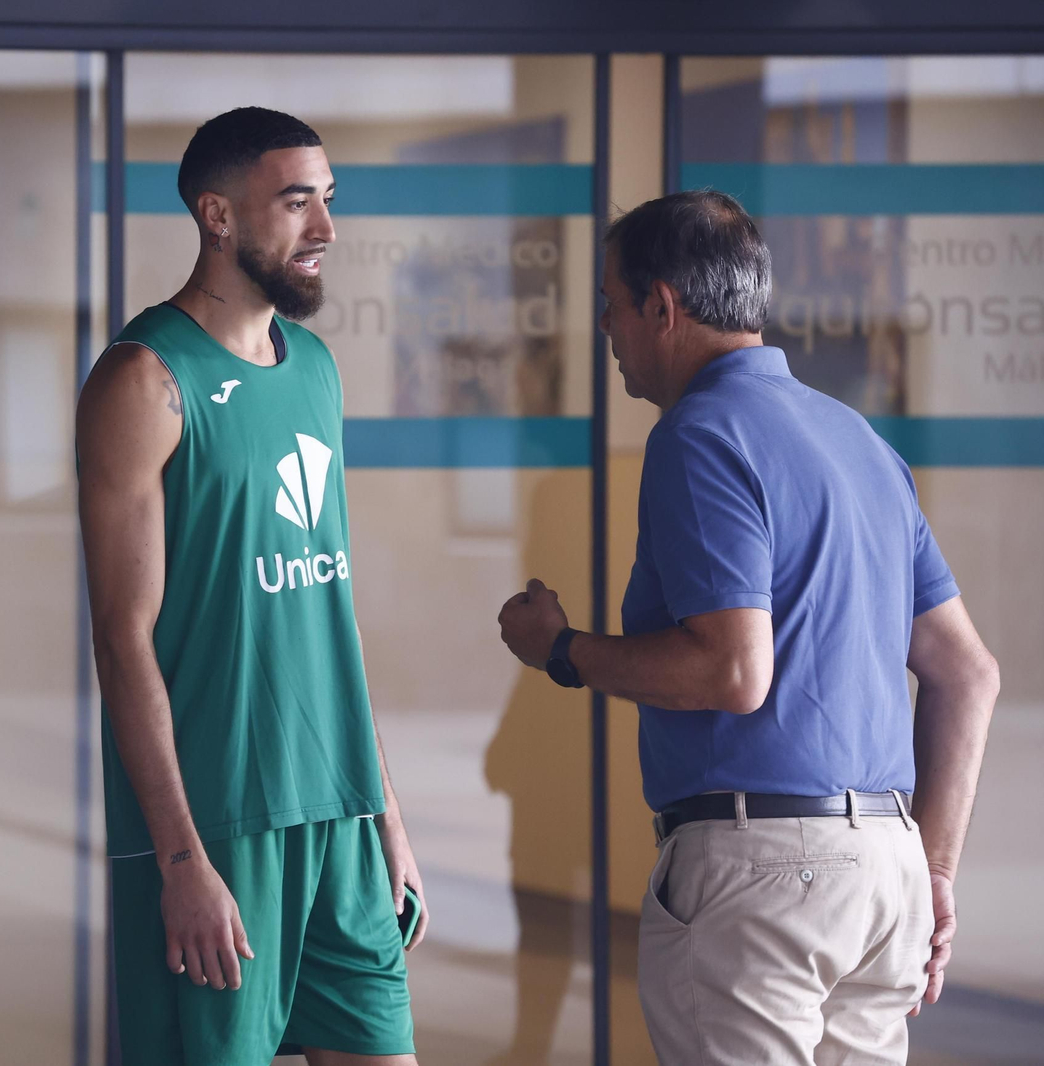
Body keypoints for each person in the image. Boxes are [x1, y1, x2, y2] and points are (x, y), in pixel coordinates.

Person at [495, 190, 1000, 1065]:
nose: (605, 329)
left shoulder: (700, 434)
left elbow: (733, 672)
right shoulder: (862, 444)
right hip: (887, 875)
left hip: (764, 878)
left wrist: (563, 653)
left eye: (611, 304)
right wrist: (935, 871)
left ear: (664, 306)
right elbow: (968, 672)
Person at [77, 107, 426, 1066]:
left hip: (341, 821)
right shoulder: (144, 381)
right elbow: (123, 638)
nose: (326, 230)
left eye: (328, 201)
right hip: (222, 826)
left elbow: (326, 608)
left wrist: (384, 815)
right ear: (219, 214)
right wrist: (181, 860)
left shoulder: (314, 367)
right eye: (297, 201)